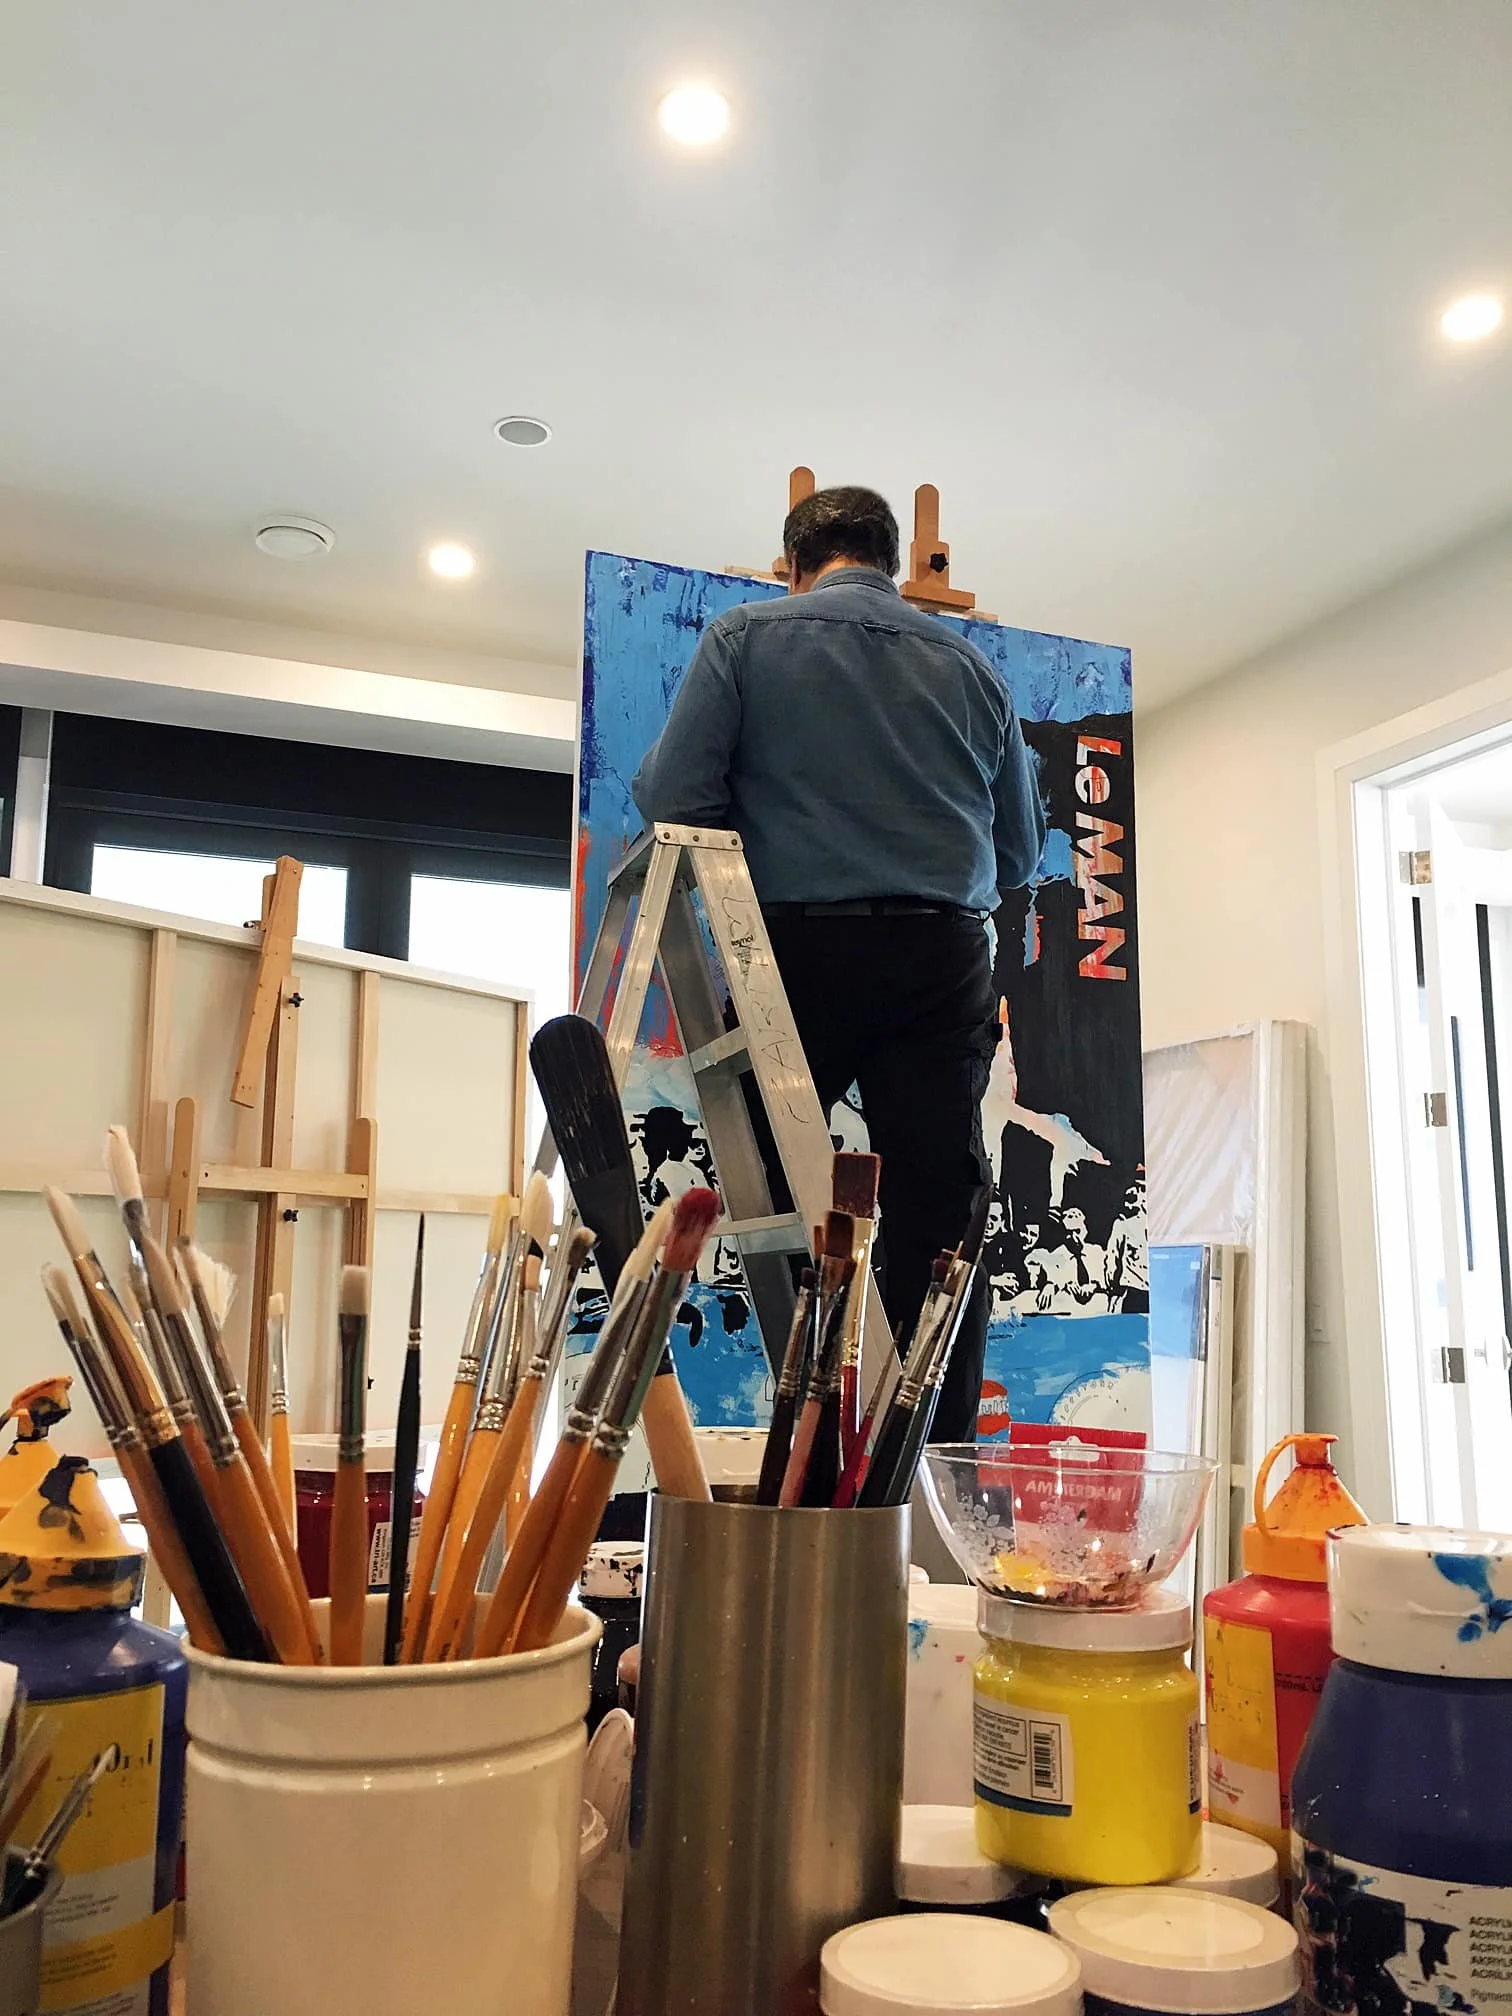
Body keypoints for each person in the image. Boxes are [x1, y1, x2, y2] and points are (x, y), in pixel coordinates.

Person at [631, 483, 1046, 1439]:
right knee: (938, 1215)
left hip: (793, 953)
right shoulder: (974, 670)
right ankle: (932, 1460)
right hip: (940, 960)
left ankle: (801, 1440)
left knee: (781, 1202)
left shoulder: (744, 637)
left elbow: (677, 799)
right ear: (892, 563)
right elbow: (1019, 857)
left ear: (793, 565)